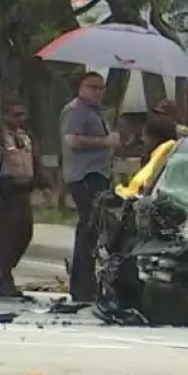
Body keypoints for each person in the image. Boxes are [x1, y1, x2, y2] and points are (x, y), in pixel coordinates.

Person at [61, 71, 119, 302]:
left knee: (94, 229)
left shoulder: (99, 113)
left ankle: (88, 283)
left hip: (100, 173)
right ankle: (82, 286)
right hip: (85, 175)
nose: (97, 92)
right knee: (88, 228)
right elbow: (72, 140)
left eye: (101, 88)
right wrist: (104, 142)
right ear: (81, 87)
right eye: (92, 87)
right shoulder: (76, 110)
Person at [0, 97, 44, 298]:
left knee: (25, 234)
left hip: (24, 191)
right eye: (15, 114)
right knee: (5, 237)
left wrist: (43, 183)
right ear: (4, 116)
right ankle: (4, 278)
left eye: (23, 114)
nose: (20, 119)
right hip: (4, 191)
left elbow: (35, 161)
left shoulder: (27, 136)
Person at [117, 116, 179, 199]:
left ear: (154, 138)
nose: (143, 139)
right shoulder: (174, 151)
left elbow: (144, 184)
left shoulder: (163, 154)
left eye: (145, 136)